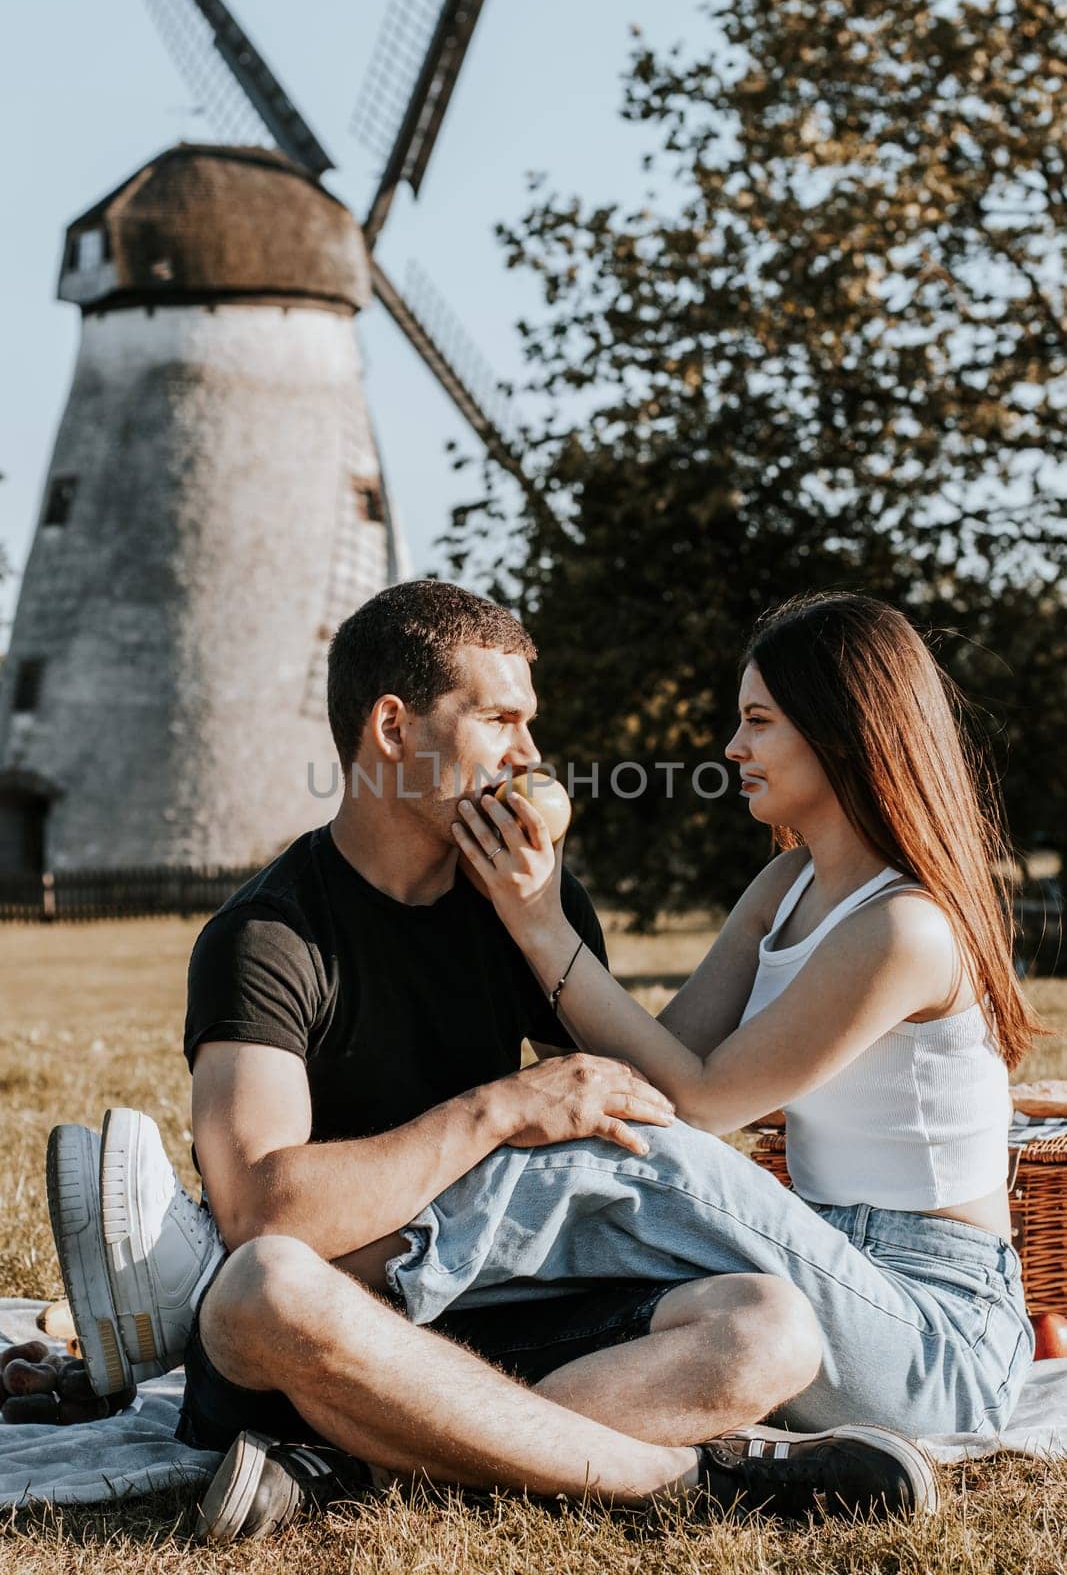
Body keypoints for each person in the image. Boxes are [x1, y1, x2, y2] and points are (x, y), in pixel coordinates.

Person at [49, 581, 938, 1541]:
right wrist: (503, 1107)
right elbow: (261, 1209)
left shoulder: (530, 907)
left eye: (529, 724)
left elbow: (612, 1153)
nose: (528, 758)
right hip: (339, 1331)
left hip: (505, 1314)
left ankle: (350, 1467)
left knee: (773, 1328)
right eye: (499, 720)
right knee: (261, 1284)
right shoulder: (269, 935)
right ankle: (677, 1480)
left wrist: (548, 968)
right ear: (392, 728)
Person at [379, 591, 1036, 1441]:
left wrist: (538, 919)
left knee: (667, 1167)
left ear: (842, 730)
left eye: (758, 722)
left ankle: (368, 1272)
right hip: (825, 1266)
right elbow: (660, 1067)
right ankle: (404, 1370)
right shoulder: (785, 887)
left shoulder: (903, 927)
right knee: (611, 1133)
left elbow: (700, 1105)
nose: (733, 748)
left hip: (937, 1336)